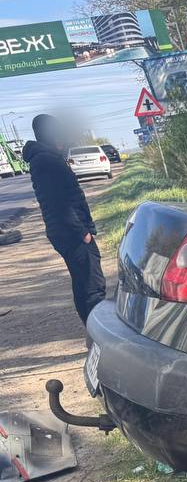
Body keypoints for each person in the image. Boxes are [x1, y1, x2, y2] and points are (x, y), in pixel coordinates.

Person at [21, 114, 105, 325]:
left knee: (83, 283)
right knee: (92, 286)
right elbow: (60, 204)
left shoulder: (45, 158)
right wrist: (82, 233)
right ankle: (100, 335)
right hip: (71, 233)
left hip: (65, 231)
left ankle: (93, 330)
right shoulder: (47, 161)